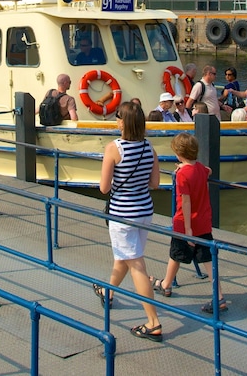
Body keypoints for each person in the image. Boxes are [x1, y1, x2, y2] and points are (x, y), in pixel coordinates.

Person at [95, 101, 163, 342]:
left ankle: (153, 322)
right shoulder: (148, 146)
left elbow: (104, 188)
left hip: (122, 213)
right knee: (127, 256)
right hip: (144, 211)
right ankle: (107, 290)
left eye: (118, 117)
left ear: (123, 122)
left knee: (137, 265)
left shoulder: (114, 148)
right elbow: (155, 183)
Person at [149, 133, 225, 313]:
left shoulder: (182, 174)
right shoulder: (200, 169)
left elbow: (186, 201)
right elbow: (209, 170)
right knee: (207, 259)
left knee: (176, 252)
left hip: (185, 223)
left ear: (178, 154)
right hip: (204, 222)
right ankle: (219, 296)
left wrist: (188, 229)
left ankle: (166, 285)